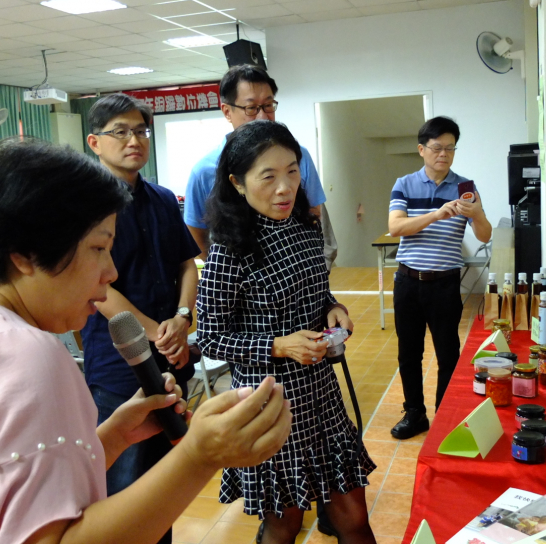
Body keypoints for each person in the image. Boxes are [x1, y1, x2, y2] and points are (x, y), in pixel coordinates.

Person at [0, 138, 292, 544]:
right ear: (26, 254)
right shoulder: (18, 351)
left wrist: (114, 434)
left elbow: (2, 490)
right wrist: (198, 456)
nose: (111, 272)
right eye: (98, 248)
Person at [197, 120, 376, 544]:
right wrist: (278, 345)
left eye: (292, 171)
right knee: (284, 524)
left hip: (321, 393)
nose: (285, 188)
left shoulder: (305, 229)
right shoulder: (229, 250)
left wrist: (334, 309)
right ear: (238, 184)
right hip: (270, 401)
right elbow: (210, 337)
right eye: (268, 176)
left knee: (354, 517)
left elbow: (319, 291)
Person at [80, 93, 200, 543]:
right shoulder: (86, 208)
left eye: (141, 131)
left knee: (161, 485)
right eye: (121, 132)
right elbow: (97, 287)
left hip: (172, 357)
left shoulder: (162, 199)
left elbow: (187, 264)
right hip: (119, 367)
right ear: (95, 142)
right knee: (124, 486)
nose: (134, 140)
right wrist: (156, 332)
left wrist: (182, 319)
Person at [387, 116, 492, 440]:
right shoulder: (404, 184)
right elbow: (395, 227)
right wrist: (436, 214)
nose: (443, 154)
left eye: (450, 148)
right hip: (408, 282)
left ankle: (445, 416)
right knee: (409, 353)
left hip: (445, 283)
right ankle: (414, 414)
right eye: (436, 148)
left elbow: (485, 235)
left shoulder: (465, 188)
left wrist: (477, 214)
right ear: (422, 149)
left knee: (448, 353)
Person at [184, 64, 327, 258]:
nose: (262, 116)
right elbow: (196, 234)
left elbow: (313, 212)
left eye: (268, 105)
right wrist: (228, 267)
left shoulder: (298, 155)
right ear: (227, 111)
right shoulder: (204, 171)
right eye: (251, 108)